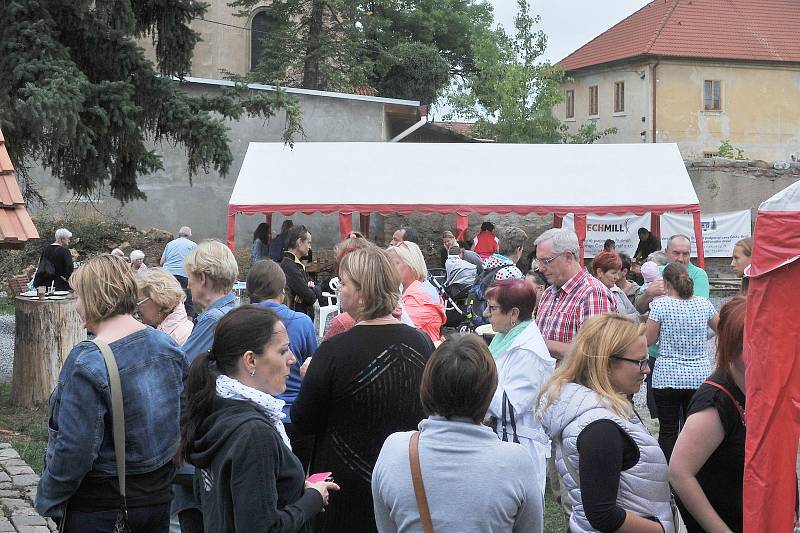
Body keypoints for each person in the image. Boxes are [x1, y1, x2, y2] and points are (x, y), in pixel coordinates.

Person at [35, 255, 187, 531]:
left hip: (102, 508)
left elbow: (75, 450)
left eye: (78, 297)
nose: (77, 306)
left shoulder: (87, 361)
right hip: (157, 499)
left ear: (95, 298)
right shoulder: (166, 346)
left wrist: (48, 497)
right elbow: (180, 420)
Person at [291, 246, 435, 533]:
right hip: (405, 479)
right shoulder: (422, 343)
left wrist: (311, 377)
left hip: (346, 489)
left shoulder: (334, 351)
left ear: (363, 292)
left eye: (344, 283)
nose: (340, 290)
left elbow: (304, 420)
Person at [179, 306, 338, 532]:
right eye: (283, 351)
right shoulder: (254, 433)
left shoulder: (214, 406)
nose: (293, 359)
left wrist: (288, 486)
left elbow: (216, 493)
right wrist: (311, 499)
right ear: (251, 361)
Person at [372, 335, 544, 533]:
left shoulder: (394, 450)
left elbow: (386, 527)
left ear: (428, 384)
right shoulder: (516, 461)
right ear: (488, 390)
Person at [539, 313, 675, 533]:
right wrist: (661, 530)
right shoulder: (600, 427)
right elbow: (602, 514)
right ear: (607, 364)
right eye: (640, 362)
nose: (647, 369)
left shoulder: (599, 411)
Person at [175, 239, 239, 531]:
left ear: (202, 278)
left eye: (189, 277)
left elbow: (182, 371)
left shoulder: (213, 319)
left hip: (205, 429)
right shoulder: (235, 312)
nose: (187, 285)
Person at [670, 296, 746, 533]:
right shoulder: (715, 401)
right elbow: (679, 473)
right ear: (732, 346)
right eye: (753, 342)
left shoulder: (759, 386)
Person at [483, 279, 554, 495]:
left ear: (513, 314)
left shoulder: (527, 351)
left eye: (492, 308)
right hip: (505, 444)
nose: (486, 313)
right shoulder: (506, 339)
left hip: (520, 446)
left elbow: (509, 407)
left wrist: (475, 378)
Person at [247, 259, 318, 470]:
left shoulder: (240, 321)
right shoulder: (302, 321)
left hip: (254, 414)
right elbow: (311, 365)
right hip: (295, 415)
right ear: (282, 291)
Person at [646, 262, 719, 462]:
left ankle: (668, 476)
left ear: (667, 284)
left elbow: (649, 340)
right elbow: (722, 328)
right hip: (698, 377)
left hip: (667, 376)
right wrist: (704, 335)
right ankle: (692, 472)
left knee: (668, 431)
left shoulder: (660, 305)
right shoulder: (703, 304)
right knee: (693, 431)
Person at [534, 228, 617, 361]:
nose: (541, 268)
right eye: (539, 261)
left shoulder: (592, 293)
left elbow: (595, 352)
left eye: (546, 261)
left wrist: (539, 343)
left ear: (568, 257)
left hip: (575, 382)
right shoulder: (548, 293)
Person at [387, 240, 446, 341]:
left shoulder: (418, 297)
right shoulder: (422, 288)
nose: (388, 270)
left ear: (411, 265)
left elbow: (400, 333)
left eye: (394, 264)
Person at [636, 234, 710, 313]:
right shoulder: (656, 272)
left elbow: (700, 309)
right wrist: (649, 293)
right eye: (676, 253)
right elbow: (639, 308)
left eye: (685, 254)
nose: (680, 259)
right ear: (666, 252)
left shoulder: (698, 274)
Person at [322, 236, 376, 340]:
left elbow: (323, 354)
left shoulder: (343, 323)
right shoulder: (395, 315)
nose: (339, 287)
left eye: (343, 283)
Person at [136, 267, 194, 345]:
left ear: (159, 300)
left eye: (139, 302)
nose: (136, 309)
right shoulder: (166, 331)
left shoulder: (182, 337)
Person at [280, 225, 321, 318]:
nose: (310, 247)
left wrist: (311, 289)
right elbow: (310, 298)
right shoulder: (289, 266)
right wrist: (310, 289)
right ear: (299, 242)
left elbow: (317, 287)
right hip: (296, 318)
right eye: (309, 243)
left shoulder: (296, 264)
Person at [160, 226, 197, 318]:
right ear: (190, 234)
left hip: (168, 275)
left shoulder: (170, 244)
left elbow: (162, 262)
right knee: (188, 301)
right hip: (184, 274)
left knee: (168, 300)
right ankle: (189, 325)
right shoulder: (193, 245)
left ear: (179, 234)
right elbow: (196, 263)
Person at [591, 251, 639, 321]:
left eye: (617, 273)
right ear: (599, 272)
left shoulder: (617, 291)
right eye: (613, 273)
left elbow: (636, 315)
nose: (617, 277)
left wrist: (620, 320)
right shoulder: (591, 294)